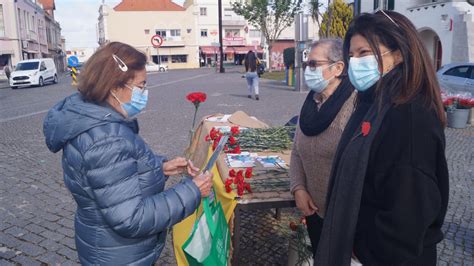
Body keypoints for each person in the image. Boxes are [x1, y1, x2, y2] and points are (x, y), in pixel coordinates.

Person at [43, 42, 213, 265]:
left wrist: (160, 167)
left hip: (107, 247)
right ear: (115, 86)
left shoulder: (92, 118)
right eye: (141, 85)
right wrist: (192, 190)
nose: (144, 92)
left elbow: (114, 182)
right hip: (118, 255)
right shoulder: (106, 139)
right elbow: (131, 218)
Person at [315, 11, 449, 266]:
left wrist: (363, 249)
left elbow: (407, 213)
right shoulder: (372, 103)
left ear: (399, 53)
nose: (355, 62)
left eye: (364, 53)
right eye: (351, 55)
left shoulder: (409, 115)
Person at [289, 38, 355, 257]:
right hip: (314, 210)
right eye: (308, 64)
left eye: (314, 64)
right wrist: (298, 188)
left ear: (337, 68)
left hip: (345, 218)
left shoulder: (355, 105)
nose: (309, 70)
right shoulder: (311, 102)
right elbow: (297, 150)